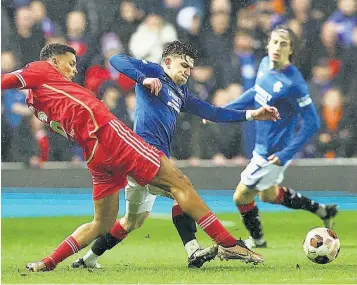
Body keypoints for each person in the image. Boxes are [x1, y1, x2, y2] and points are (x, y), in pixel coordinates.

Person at [1, 43, 277, 272]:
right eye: (70, 63)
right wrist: (142, 78)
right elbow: (117, 59)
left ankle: (52, 262)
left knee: (113, 222)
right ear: (53, 60)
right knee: (181, 186)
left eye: (191, 68)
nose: (74, 69)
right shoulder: (42, 70)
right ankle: (226, 244)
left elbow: (213, 112)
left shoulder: (37, 102)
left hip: (96, 153)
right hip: (116, 138)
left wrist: (252, 114)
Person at [224, 26, 338, 249]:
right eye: (274, 42)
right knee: (268, 195)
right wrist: (225, 111)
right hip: (262, 146)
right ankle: (322, 210)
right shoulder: (265, 65)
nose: (277, 47)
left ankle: (257, 240)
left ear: (291, 49)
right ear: (267, 44)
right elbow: (256, 93)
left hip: (274, 153)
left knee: (241, 196)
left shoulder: (294, 83)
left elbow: (312, 121)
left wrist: (286, 153)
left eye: (283, 43)